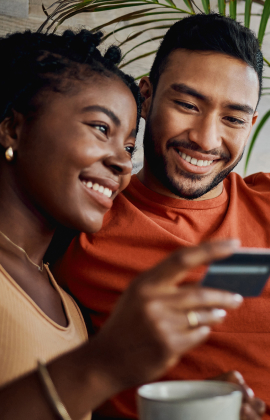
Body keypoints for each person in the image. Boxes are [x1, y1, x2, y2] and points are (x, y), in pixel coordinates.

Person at [0, 27, 251, 420]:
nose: (121, 163)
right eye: (101, 129)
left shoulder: (54, 289)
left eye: (127, 146)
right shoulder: (82, 238)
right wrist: (103, 365)